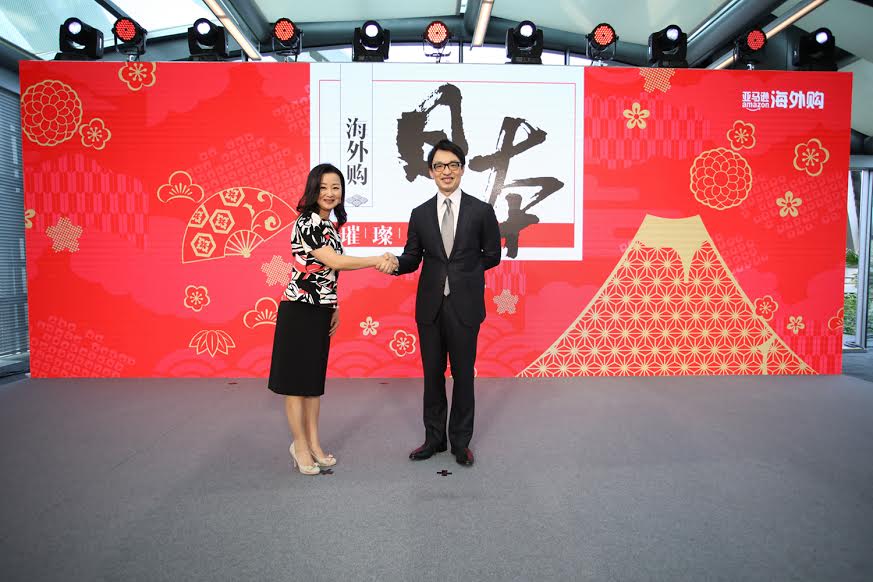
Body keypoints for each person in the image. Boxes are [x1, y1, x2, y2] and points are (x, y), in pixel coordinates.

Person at [378, 139, 501, 466]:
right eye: (439, 166)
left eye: (452, 165)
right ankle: (433, 439)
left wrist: (464, 273)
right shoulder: (419, 214)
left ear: (462, 169)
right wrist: (394, 264)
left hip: (465, 307)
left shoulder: (481, 211)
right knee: (432, 375)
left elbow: (492, 255)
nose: (446, 171)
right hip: (430, 308)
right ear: (431, 172)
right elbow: (412, 257)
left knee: (463, 376)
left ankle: (461, 443)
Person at [268, 163, 396, 475]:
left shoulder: (329, 226)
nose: (330, 193)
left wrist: (334, 306)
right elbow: (333, 261)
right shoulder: (306, 222)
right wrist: (376, 259)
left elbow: (328, 274)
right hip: (299, 308)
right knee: (295, 384)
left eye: (335, 187)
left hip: (321, 309)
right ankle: (299, 446)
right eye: (323, 187)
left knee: (313, 384)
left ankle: (314, 444)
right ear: (313, 190)